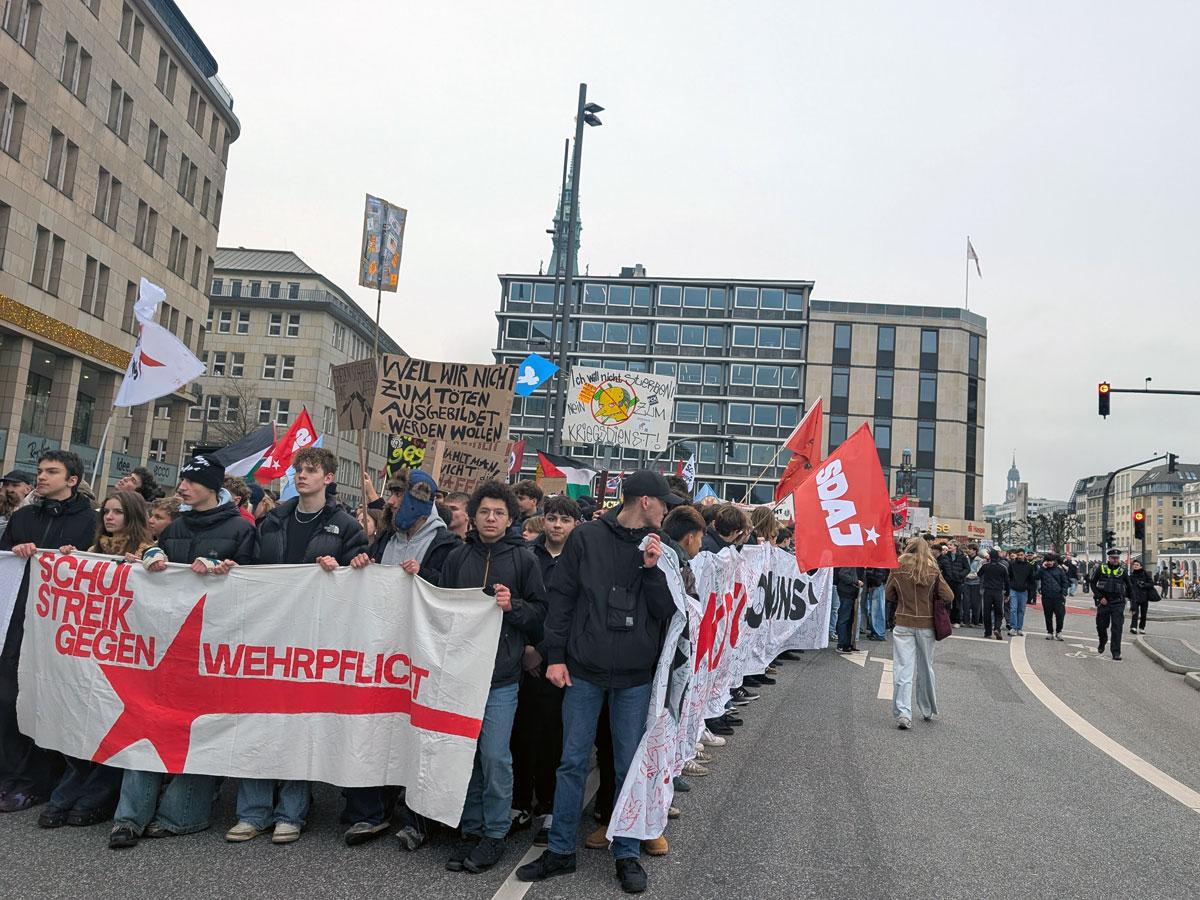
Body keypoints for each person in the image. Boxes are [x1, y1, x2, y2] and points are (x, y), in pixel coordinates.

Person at [518, 471, 683, 895]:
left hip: (633, 676)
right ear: (645, 501)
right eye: (663, 502)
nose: (668, 509)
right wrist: (555, 657)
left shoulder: (662, 549)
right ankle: (560, 851)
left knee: (628, 767)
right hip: (584, 669)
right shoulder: (586, 538)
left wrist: (650, 570)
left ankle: (626, 853)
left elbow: (668, 611)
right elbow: (562, 599)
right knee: (572, 761)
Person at [109, 454, 258, 849]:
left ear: (212, 486)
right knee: (144, 721)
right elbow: (161, 572)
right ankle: (129, 817)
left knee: (198, 728)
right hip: (166, 646)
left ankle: (182, 814)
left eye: (191, 482)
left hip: (214, 646)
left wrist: (228, 571)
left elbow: (258, 582)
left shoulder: (240, 529)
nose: (182, 487)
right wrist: (150, 557)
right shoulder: (175, 528)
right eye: (181, 480)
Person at [225, 448, 366, 845]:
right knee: (258, 720)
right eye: (298, 469)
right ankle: (252, 811)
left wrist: (344, 570)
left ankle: (291, 811)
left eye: (311, 470)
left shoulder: (344, 525)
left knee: (299, 722)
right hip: (268, 634)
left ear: (329, 477)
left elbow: (362, 574)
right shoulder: (273, 520)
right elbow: (250, 565)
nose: (302, 476)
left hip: (314, 639)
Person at [344, 470, 459, 848]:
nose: (389, 503)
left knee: (416, 733)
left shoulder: (444, 544)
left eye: (396, 496)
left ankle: (417, 819)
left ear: (417, 499)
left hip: (421, 654)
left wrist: (426, 576)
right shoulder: (385, 541)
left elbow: (452, 590)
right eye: (390, 495)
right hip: (382, 650)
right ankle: (370, 812)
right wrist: (361, 563)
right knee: (376, 726)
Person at [437, 482, 546, 875]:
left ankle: (495, 832)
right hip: (461, 673)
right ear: (473, 515)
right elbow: (439, 606)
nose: (491, 518)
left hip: (500, 677)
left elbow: (539, 613)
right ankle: (471, 826)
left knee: (495, 756)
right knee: (466, 755)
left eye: (499, 513)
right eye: (484, 511)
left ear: (510, 519)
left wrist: (512, 605)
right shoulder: (456, 557)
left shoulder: (525, 560)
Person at [39, 489, 155, 828]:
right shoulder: (92, 552)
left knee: (111, 725)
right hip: (92, 651)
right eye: (106, 510)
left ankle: (100, 791)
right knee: (83, 723)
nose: (109, 517)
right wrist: (67, 562)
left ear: (131, 517)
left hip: (127, 656)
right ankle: (77, 784)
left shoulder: (147, 552)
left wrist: (149, 567)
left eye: (118, 512)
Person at [0, 452, 96, 813]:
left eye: (51, 472)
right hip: (17, 619)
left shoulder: (90, 521)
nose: (41, 477)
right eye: (40, 471)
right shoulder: (23, 517)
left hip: (61, 626)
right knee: (8, 699)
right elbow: (5, 561)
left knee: (48, 699)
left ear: (72, 479)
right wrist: (15, 550)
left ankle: (41, 778)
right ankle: (11, 775)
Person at [512, 495, 580, 846]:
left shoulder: (581, 560)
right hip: (525, 656)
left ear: (575, 525)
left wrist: (548, 653)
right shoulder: (528, 556)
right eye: (552, 518)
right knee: (522, 734)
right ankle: (520, 801)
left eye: (564, 521)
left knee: (554, 736)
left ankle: (549, 805)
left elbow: (574, 612)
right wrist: (527, 647)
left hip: (559, 661)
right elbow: (524, 603)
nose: (556, 526)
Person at [885, 537, 954, 729]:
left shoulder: (897, 568)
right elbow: (949, 596)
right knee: (926, 668)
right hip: (926, 624)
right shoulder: (932, 570)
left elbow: (888, 595)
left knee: (902, 669)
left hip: (903, 621)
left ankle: (903, 713)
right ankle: (927, 709)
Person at [1089, 548, 1133, 661]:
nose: (1115, 560)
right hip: (1104, 602)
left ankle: (1116, 652)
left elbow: (1129, 586)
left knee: (1117, 628)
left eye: (1117, 558)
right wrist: (1100, 597)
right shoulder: (1101, 568)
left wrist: (1133, 604)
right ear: (1109, 558)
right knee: (1101, 626)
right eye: (1113, 558)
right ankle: (1102, 641)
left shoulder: (1123, 570)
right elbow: (1093, 583)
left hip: (1118, 602)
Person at [1035, 552, 1070, 641]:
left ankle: (1059, 632)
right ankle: (1049, 632)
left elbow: (1065, 582)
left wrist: (1064, 593)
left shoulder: (1059, 570)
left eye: (1051, 561)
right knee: (1048, 615)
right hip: (1046, 596)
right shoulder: (1043, 570)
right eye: (1047, 561)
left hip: (1058, 596)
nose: (1049, 563)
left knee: (1060, 615)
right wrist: (1042, 568)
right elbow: (1036, 577)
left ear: (1054, 561)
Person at [978, 549, 1010, 640]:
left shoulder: (985, 566)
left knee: (987, 612)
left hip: (987, 591)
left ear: (990, 557)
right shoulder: (1003, 567)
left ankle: (987, 632)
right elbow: (1007, 582)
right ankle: (997, 628)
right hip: (998, 591)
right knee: (999, 612)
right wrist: (1007, 593)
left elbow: (979, 574)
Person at [937, 541, 970, 626]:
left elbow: (967, 569)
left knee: (957, 602)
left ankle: (956, 621)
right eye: (948, 545)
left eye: (951, 545)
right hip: (947, 582)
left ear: (956, 546)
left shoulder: (962, 557)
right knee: (947, 600)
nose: (949, 546)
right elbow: (939, 567)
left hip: (958, 582)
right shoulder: (944, 557)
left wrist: (960, 575)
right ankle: (946, 620)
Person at [1006, 548, 1037, 636]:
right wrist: (1008, 587)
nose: (1019, 556)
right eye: (1018, 555)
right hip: (1013, 589)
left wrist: (1031, 591)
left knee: (1021, 610)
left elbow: (1031, 579)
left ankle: (1019, 628)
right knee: (1013, 609)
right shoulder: (1012, 564)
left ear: (1024, 555)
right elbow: (1009, 576)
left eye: (1021, 555)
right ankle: (1013, 627)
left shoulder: (1029, 566)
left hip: (1024, 590)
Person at [833, 568, 863, 652]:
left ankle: (847, 644)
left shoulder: (853, 561)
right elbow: (842, 574)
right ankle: (842, 644)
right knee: (844, 619)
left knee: (849, 620)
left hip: (850, 593)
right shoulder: (850, 561)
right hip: (846, 592)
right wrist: (856, 581)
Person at [1128, 558, 1156, 636]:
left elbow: (1151, 583)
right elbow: (1129, 586)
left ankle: (1142, 627)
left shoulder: (1145, 574)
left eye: (1137, 565)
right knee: (1134, 612)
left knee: (1144, 614)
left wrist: (1144, 584)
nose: (1135, 566)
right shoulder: (1131, 575)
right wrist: (1128, 595)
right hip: (1134, 597)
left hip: (1144, 597)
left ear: (1141, 566)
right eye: (1134, 565)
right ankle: (1133, 627)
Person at [962, 544, 983, 627]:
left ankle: (975, 621)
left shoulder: (980, 560)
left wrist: (966, 575)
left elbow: (978, 573)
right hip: (966, 583)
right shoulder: (965, 558)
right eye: (968, 549)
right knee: (966, 602)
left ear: (975, 550)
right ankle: (966, 621)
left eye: (970, 549)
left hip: (976, 583)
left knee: (976, 603)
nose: (969, 550)